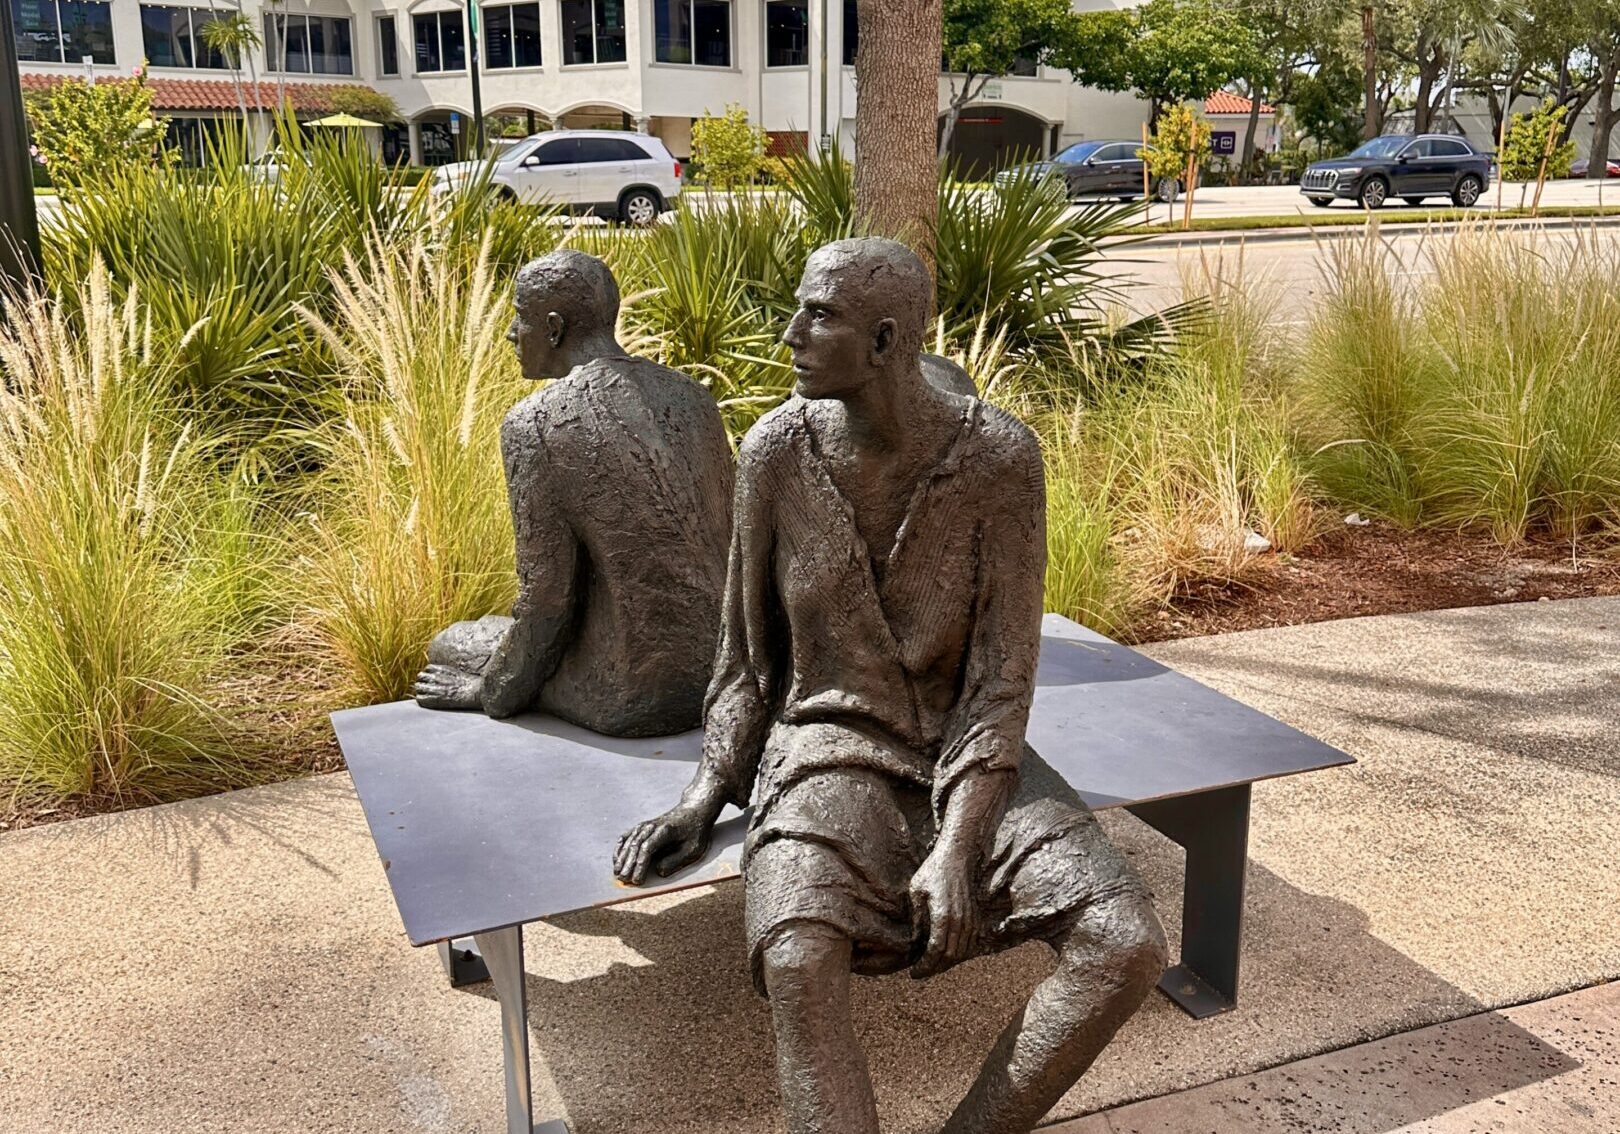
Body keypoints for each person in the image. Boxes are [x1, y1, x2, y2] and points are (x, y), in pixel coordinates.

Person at [614, 238, 1165, 1134]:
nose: (790, 333)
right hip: (824, 750)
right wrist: (707, 790)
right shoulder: (775, 454)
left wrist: (959, 843)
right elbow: (747, 660)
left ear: (883, 342)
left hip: (967, 754)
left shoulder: (999, 462)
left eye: (817, 314)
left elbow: (1000, 683)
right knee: (797, 960)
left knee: (1127, 944)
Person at [413, 251, 733, 738]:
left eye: (521, 318)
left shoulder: (535, 424)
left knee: (452, 643)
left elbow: (546, 600)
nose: (511, 334)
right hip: (723, 674)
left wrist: (491, 694)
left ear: (555, 328)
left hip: (630, 695)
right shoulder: (694, 397)